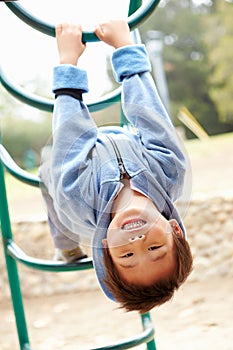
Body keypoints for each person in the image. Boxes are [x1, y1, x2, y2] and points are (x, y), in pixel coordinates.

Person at [39, 20, 193, 313]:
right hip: (124, 143)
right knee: (139, 132)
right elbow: (150, 115)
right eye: (154, 249)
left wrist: (68, 62)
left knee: (49, 178)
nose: (137, 241)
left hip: (71, 174)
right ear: (175, 230)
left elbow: (70, 133)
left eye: (127, 255)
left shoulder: (76, 198)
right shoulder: (170, 172)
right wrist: (125, 47)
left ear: (106, 244)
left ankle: (66, 246)